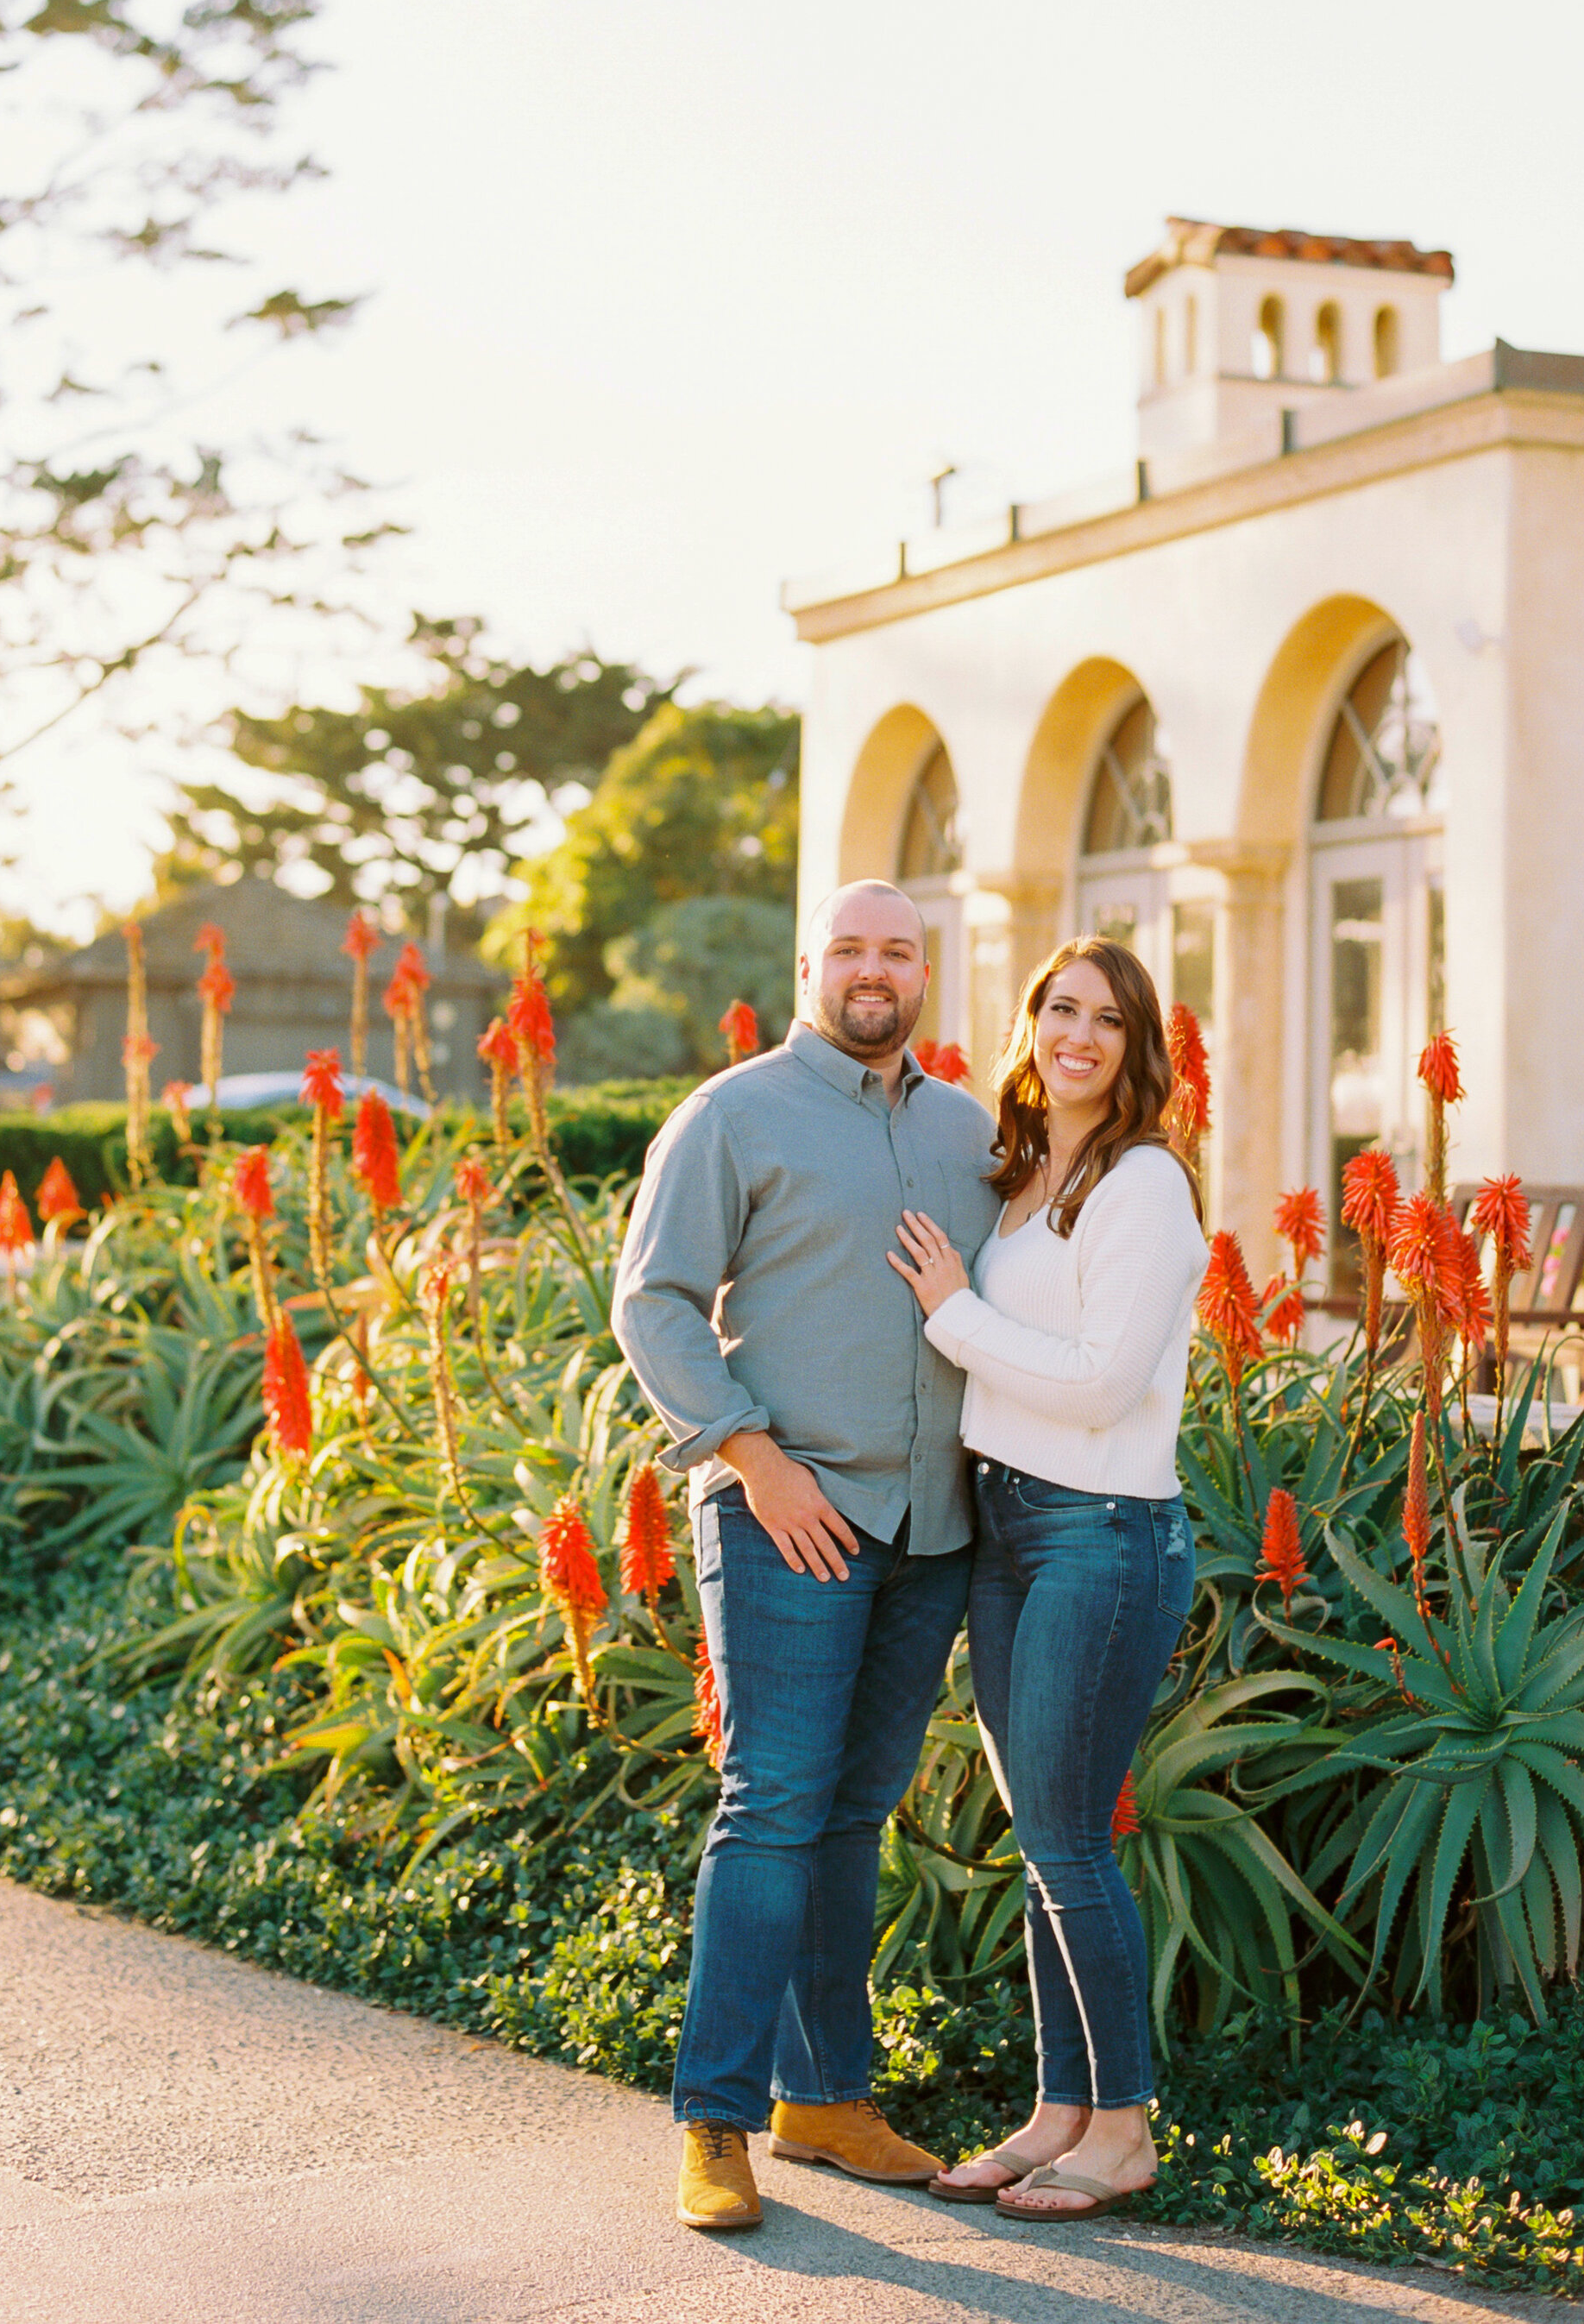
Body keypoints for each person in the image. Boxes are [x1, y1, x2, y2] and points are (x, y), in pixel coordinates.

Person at [612, 879, 1001, 2234]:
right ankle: (713, 2119)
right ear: (808, 963)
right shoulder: (730, 1114)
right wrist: (751, 1456)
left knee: (853, 1811)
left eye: (897, 949)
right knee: (773, 1800)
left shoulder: (970, 1127)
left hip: (929, 1529)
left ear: (925, 970)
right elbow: (651, 1299)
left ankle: (825, 2096)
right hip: (789, 1511)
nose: (873, 969)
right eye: (850, 947)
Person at [887, 935, 1204, 2222]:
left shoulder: (1142, 1185)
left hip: (1103, 1530)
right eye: (1060, 1009)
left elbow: (1102, 1379)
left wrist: (951, 1312)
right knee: (1043, 1840)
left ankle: (1122, 2129)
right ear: (1031, 1026)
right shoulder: (1025, 1178)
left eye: (1108, 1020)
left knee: (1073, 1838)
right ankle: (1057, 2111)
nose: (1079, 1034)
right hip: (1010, 1527)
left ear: (1136, 1051)